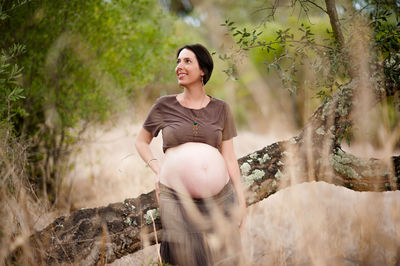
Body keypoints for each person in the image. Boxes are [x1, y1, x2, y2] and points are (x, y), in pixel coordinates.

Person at [135, 43, 246, 266]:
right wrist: (158, 169)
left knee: (225, 258)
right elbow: (141, 142)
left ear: (203, 70)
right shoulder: (164, 105)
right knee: (183, 258)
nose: (179, 66)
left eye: (187, 61)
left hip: (219, 197)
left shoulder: (221, 109)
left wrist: (242, 201)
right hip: (176, 195)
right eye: (178, 61)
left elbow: (229, 157)